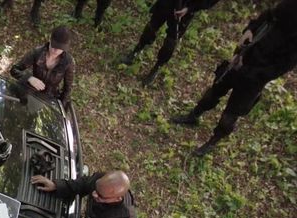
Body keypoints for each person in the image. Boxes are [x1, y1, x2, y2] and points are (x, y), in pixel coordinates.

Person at [171, 0, 297, 156]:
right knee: (213, 93)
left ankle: (212, 142)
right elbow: (262, 19)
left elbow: (278, 69)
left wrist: (250, 72)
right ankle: (193, 116)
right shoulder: (281, 12)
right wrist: (249, 30)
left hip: (254, 79)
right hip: (242, 60)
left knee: (229, 116)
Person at [120, 0, 221, 86]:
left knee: (171, 40)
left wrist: (190, 8)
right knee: (152, 26)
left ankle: (157, 67)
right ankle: (136, 50)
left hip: (186, 7)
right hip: (168, 2)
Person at [10, 27, 75, 107]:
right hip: (30, 91)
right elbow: (14, 70)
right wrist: (29, 78)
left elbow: (67, 88)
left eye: (60, 48)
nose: (56, 51)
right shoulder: (37, 53)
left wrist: (61, 108)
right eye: (54, 46)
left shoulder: (68, 61)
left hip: (49, 98)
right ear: (50, 40)